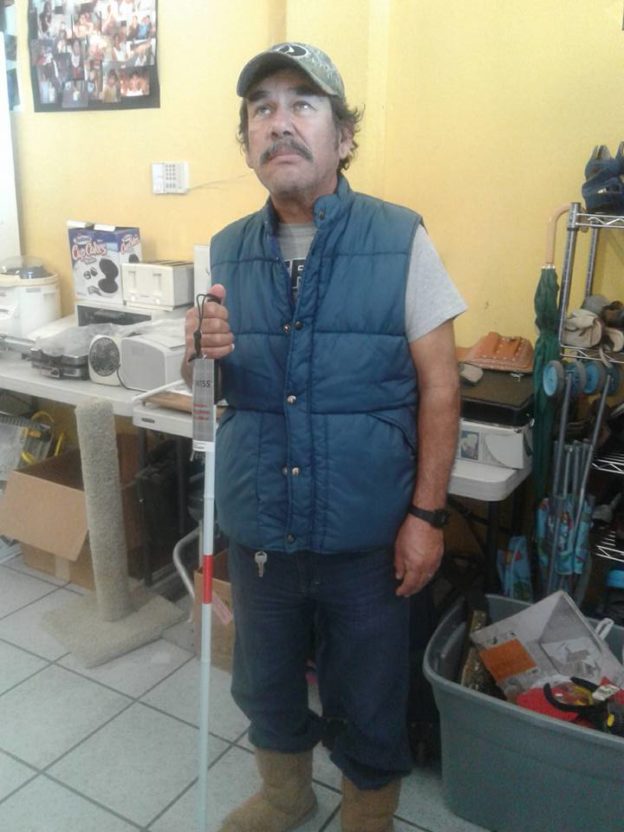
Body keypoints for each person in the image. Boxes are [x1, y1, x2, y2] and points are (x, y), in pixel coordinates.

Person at [183, 42, 465, 832]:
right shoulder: (224, 251)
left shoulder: (400, 239)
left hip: (368, 538)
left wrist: (428, 516)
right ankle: (286, 795)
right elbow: (209, 397)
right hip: (262, 533)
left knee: (370, 695)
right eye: (262, 109)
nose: (280, 123)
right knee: (265, 683)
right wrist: (196, 354)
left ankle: (367, 816)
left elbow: (442, 390)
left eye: (302, 105)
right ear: (248, 141)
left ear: (342, 136)